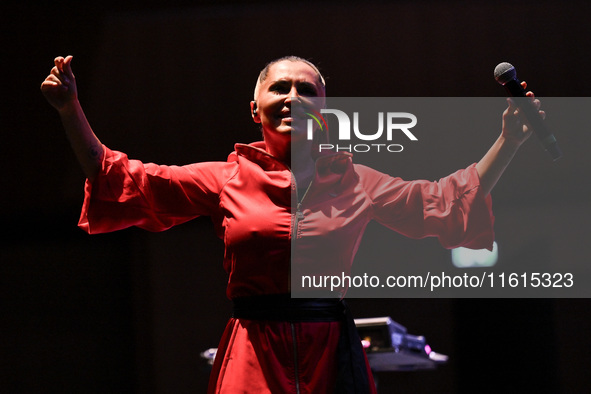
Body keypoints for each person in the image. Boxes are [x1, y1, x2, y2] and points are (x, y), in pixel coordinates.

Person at [41, 55, 541, 393]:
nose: (293, 97)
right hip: (253, 351)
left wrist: (510, 143)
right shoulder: (225, 178)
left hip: (331, 351)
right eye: (279, 88)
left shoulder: (356, 180)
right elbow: (123, 180)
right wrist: (70, 110)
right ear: (254, 107)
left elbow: (446, 202)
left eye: (307, 89)